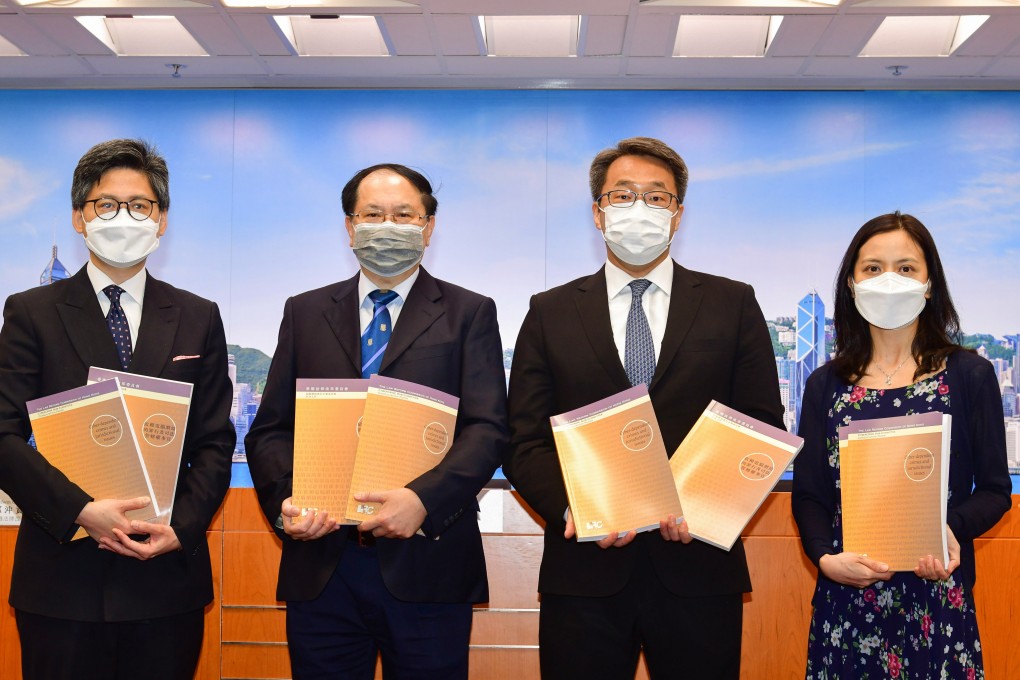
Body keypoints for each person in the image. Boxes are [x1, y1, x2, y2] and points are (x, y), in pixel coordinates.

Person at [503, 137, 784, 679]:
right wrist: (576, 509)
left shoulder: (733, 303)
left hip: (699, 567)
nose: (639, 209)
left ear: (677, 215)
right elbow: (525, 441)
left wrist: (704, 505)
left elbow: (760, 426)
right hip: (583, 571)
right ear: (597, 211)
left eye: (657, 198)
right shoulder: (550, 312)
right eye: (623, 195)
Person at [245, 163, 507, 680]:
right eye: (372, 214)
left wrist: (423, 501)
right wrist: (287, 499)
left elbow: (488, 428)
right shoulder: (304, 311)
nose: (387, 225)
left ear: (428, 227)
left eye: (404, 214)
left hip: (428, 562)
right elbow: (270, 428)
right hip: (322, 565)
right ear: (349, 226)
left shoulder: (469, 312)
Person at [0, 138, 236, 679]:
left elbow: (215, 440)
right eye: (105, 205)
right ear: (80, 219)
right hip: (64, 575)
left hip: (165, 577)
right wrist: (81, 509)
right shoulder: (32, 312)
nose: (123, 218)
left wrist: (182, 524)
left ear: (162, 220)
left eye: (140, 205)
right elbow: (3, 434)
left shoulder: (197, 316)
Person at [791, 212, 1012, 679]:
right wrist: (825, 559)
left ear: (930, 284)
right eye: (872, 268)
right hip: (846, 603)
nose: (888, 279)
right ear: (851, 283)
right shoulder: (824, 385)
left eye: (906, 268)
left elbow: (994, 489)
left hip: (937, 599)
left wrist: (946, 530)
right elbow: (810, 493)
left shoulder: (970, 375)